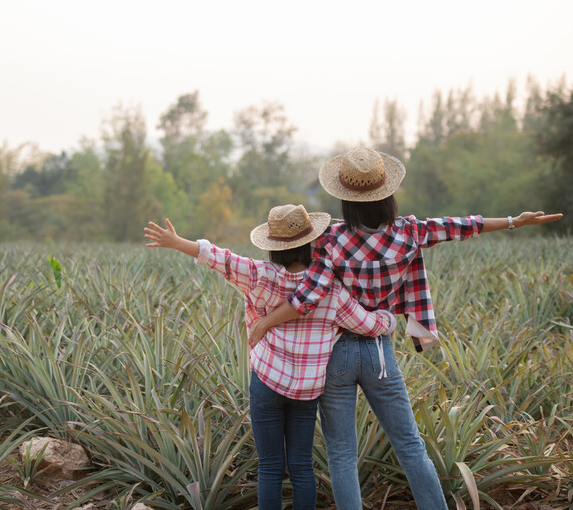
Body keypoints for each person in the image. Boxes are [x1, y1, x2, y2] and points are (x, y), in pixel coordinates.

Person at [250, 147, 564, 510]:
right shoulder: (411, 232)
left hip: (335, 352)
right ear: (388, 195)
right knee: (410, 445)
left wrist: (265, 323)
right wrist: (514, 220)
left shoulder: (331, 241)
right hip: (380, 351)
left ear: (346, 201)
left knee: (340, 453)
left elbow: (305, 298)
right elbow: (462, 226)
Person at [144, 204, 396, 510]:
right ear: (311, 243)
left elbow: (219, 258)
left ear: (274, 248)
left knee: (270, 467)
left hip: (267, 382)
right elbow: (370, 326)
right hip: (306, 392)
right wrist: (393, 319)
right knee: (302, 466)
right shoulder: (331, 291)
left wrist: (176, 242)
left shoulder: (260, 275)